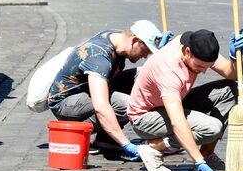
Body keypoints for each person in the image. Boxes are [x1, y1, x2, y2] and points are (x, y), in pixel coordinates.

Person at [127, 29, 243, 171]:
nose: (203, 72)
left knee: (231, 89)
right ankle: (152, 148)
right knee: (212, 128)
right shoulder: (169, 71)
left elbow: (233, 75)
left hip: (173, 101)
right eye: (200, 66)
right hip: (145, 117)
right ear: (188, 51)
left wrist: (235, 58)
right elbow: (177, 122)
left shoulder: (199, 46)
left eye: (207, 67)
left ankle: (207, 154)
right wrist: (198, 161)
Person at [48, 20, 169, 160]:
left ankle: (106, 140)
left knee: (145, 75)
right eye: (146, 50)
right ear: (135, 40)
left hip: (91, 90)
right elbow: (101, 105)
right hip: (66, 104)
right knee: (128, 104)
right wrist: (126, 144)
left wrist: (162, 51)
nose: (145, 56)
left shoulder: (118, 38)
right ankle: (76, 132)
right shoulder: (99, 57)